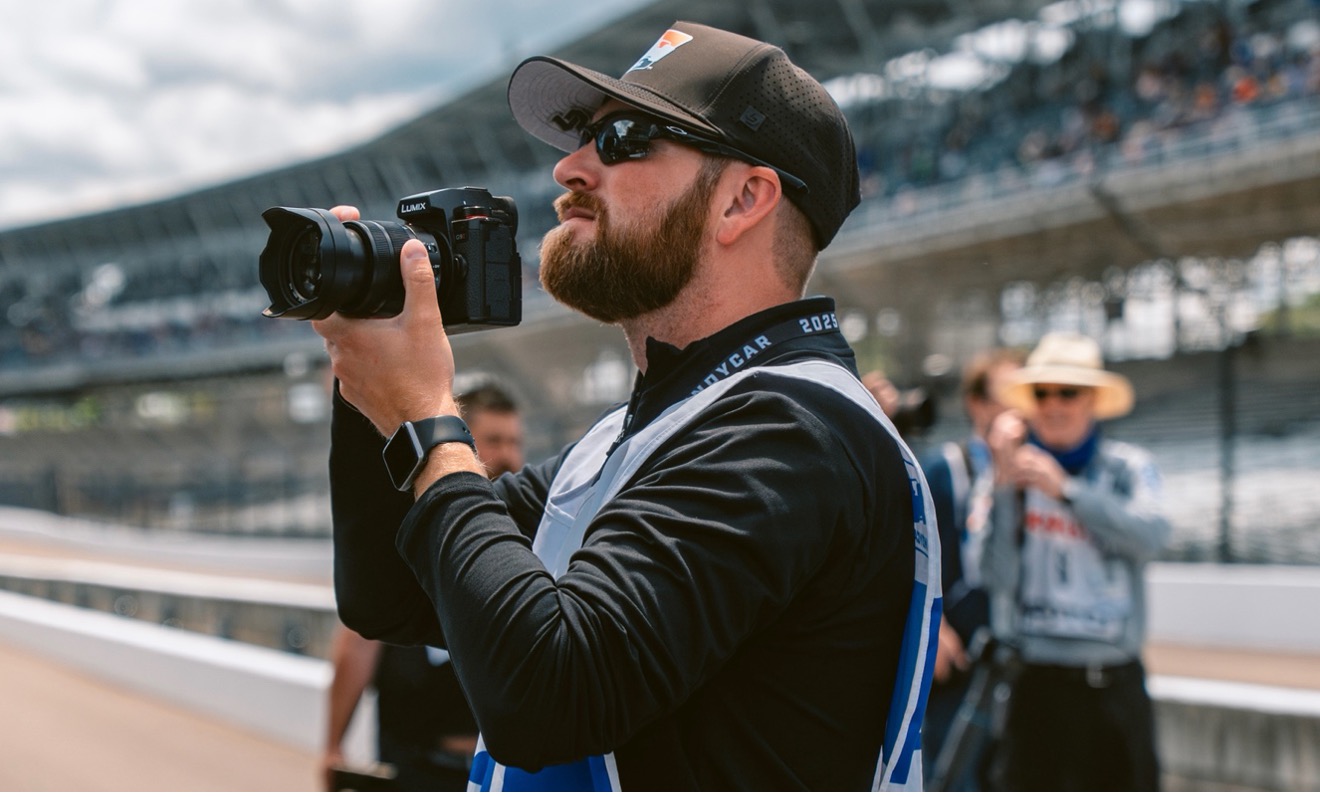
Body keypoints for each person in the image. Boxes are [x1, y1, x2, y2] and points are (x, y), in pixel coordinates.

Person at [311, 21, 941, 792]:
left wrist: (427, 419)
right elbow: (391, 593)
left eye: (626, 138)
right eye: (581, 137)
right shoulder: (639, 435)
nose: (570, 166)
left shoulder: (795, 429)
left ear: (744, 198)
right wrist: (364, 380)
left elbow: (547, 695)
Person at [981, 331, 1170, 791]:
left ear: (1092, 401)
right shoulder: (1015, 478)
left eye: (1068, 392)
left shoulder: (1127, 468)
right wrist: (1005, 486)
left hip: (1114, 687)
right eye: (1041, 393)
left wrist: (1067, 491)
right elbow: (995, 576)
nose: (1053, 405)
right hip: (1039, 685)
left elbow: (1151, 537)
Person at [321, 384, 524, 791]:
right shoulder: (412, 531)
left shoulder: (526, 531)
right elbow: (358, 646)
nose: (507, 456)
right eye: (494, 441)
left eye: (515, 442)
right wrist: (332, 746)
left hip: (500, 773)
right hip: (415, 765)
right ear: (461, 444)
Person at [919, 347, 1024, 789]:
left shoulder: (1040, 470)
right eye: (1006, 394)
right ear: (976, 404)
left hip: (1023, 658)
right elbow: (911, 556)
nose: (1018, 408)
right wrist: (934, 626)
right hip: (961, 658)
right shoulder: (947, 469)